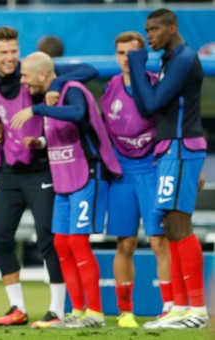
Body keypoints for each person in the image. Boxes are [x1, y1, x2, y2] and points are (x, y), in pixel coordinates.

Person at [0, 26, 97, 328]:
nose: (10, 58)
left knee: (48, 240)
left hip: (43, 168)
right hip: (9, 171)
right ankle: (17, 308)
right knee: (1, 238)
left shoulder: (35, 71)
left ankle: (57, 310)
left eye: (14, 51)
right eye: (4, 52)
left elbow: (89, 69)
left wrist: (57, 82)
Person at [11, 52, 122, 328]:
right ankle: (77, 311)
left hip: (87, 174)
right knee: (61, 242)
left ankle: (95, 313)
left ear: (41, 75)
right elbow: (65, 132)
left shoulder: (72, 89)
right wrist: (40, 141)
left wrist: (37, 110)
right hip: (64, 179)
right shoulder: (50, 95)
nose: (22, 81)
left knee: (77, 242)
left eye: (25, 76)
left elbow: (78, 115)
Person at [127, 8, 209, 329]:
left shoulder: (185, 59)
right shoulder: (170, 60)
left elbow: (149, 104)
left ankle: (197, 310)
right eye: (146, 30)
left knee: (179, 224)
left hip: (181, 147)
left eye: (154, 29)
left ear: (172, 27)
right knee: (171, 226)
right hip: (170, 149)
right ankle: (180, 306)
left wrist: (135, 63)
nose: (149, 36)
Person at [100, 31, 173, 328]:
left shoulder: (158, 87)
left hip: (152, 171)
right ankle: (125, 311)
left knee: (158, 242)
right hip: (122, 176)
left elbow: (172, 128)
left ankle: (170, 307)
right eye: (121, 53)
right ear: (115, 57)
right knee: (125, 244)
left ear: (143, 56)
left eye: (133, 53)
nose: (126, 59)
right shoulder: (109, 89)